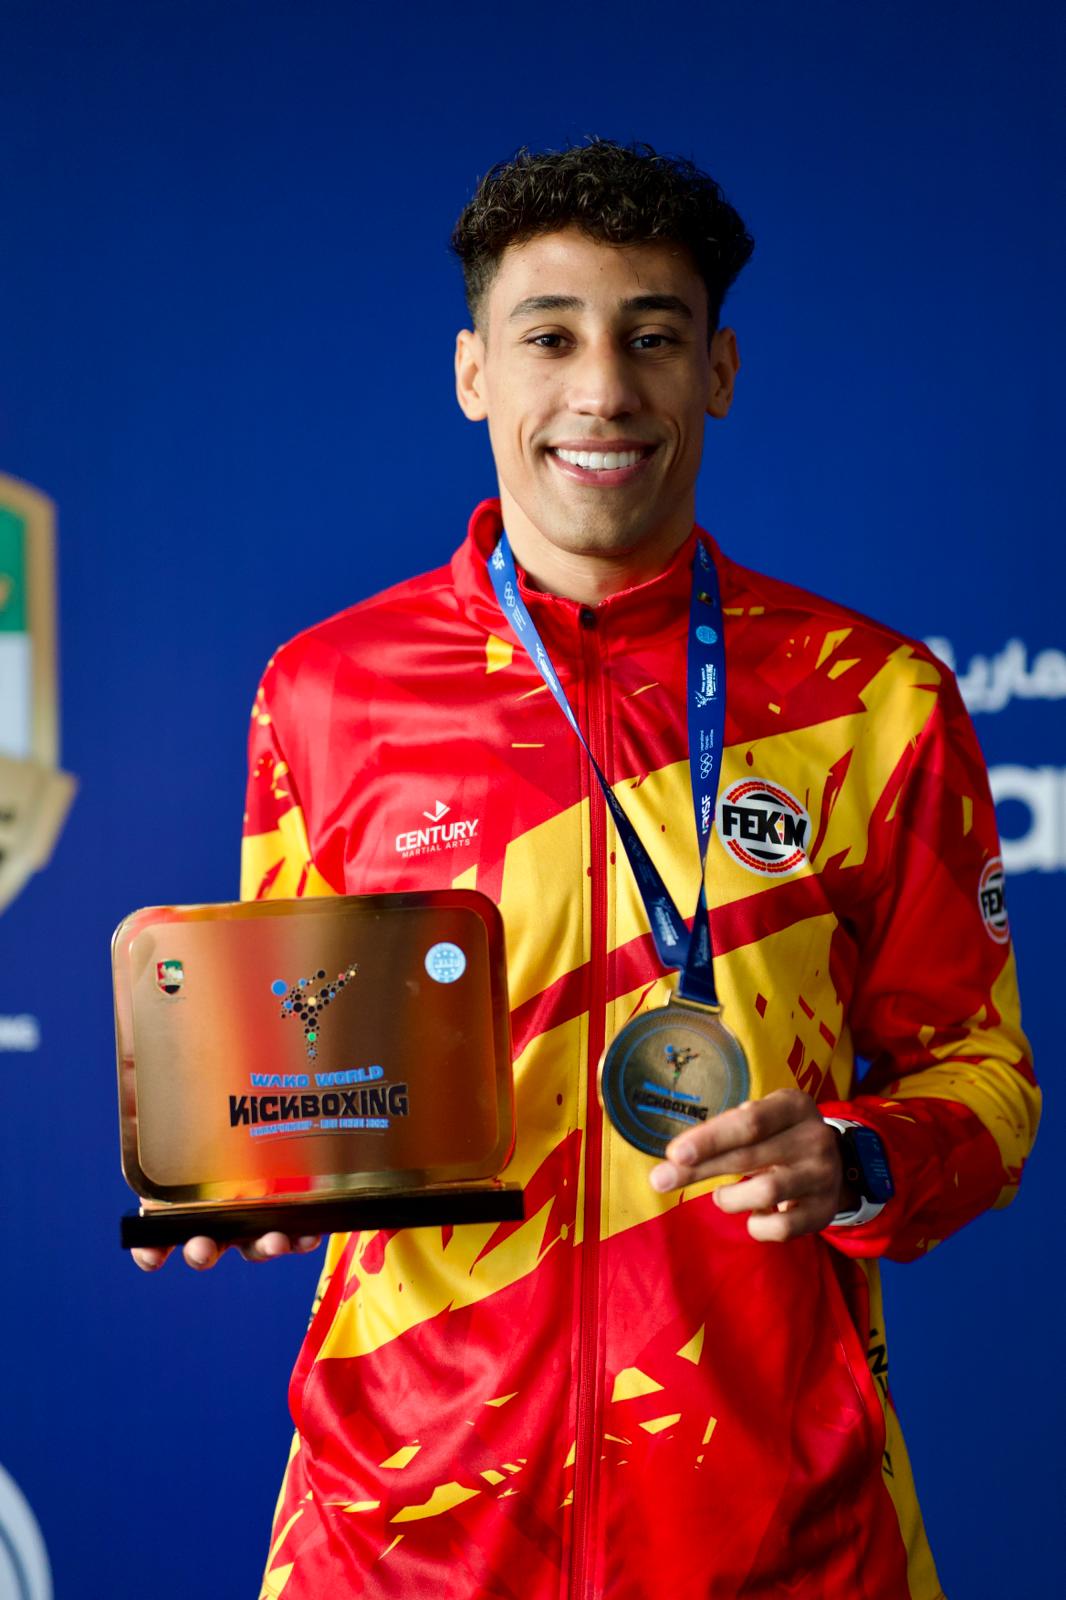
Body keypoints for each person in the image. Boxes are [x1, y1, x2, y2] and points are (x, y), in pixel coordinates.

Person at [134, 140, 1039, 1599]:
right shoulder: (326, 694)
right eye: (549, 337)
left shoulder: (872, 700)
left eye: (653, 338)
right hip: (399, 1538)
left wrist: (860, 1156)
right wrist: (256, 1169)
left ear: (718, 371)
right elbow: (296, 1073)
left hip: (779, 1539)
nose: (603, 390)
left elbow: (984, 1081)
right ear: (473, 372)